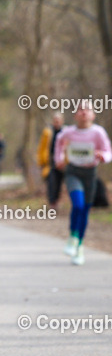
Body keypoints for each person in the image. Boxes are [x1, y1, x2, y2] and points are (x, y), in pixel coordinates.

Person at [54, 102, 112, 265]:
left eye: (87, 110)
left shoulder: (98, 133)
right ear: (75, 115)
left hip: (90, 173)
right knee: (78, 205)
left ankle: (79, 247)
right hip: (73, 172)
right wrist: (58, 159)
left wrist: (103, 156)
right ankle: (73, 237)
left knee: (85, 210)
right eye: (80, 110)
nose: (83, 112)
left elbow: (108, 151)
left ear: (93, 115)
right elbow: (58, 143)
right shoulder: (68, 132)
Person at [38, 112, 65, 207]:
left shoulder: (65, 132)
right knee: (51, 182)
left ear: (62, 121)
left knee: (58, 183)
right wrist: (41, 161)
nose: (56, 123)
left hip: (62, 162)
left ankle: (56, 201)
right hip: (50, 161)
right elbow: (42, 147)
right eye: (55, 121)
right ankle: (52, 202)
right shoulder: (48, 132)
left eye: (58, 121)